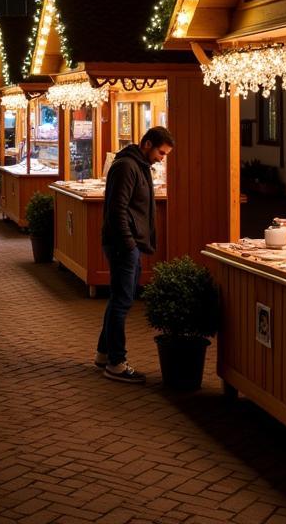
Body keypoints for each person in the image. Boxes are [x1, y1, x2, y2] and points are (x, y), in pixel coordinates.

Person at [95, 126, 174, 382]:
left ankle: (104, 354)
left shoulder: (136, 165)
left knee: (119, 299)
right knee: (122, 301)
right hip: (122, 244)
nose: (162, 158)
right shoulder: (127, 167)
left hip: (127, 244)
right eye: (161, 152)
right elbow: (117, 209)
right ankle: (116, 362)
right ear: (148, 144)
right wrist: (129, 243)